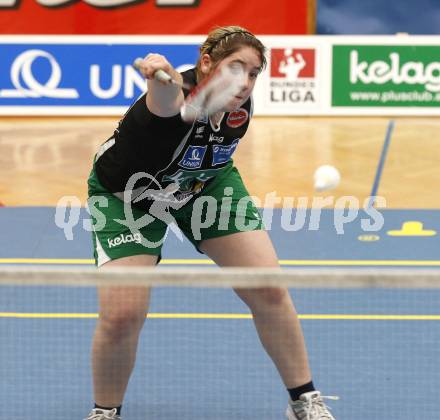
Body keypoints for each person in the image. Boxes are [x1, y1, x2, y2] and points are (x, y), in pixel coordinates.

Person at [85, 26, 336, 420]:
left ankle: (304, 399)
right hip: (128, 198)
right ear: (207, 63)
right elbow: (167, 102)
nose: (246, 81)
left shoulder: (237, 107)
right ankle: (105, 411)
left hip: (203, 183)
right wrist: (162, 73)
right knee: (122, 315)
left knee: (268, 289)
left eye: (254, 73)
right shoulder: (170, 100)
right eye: (237, 68)